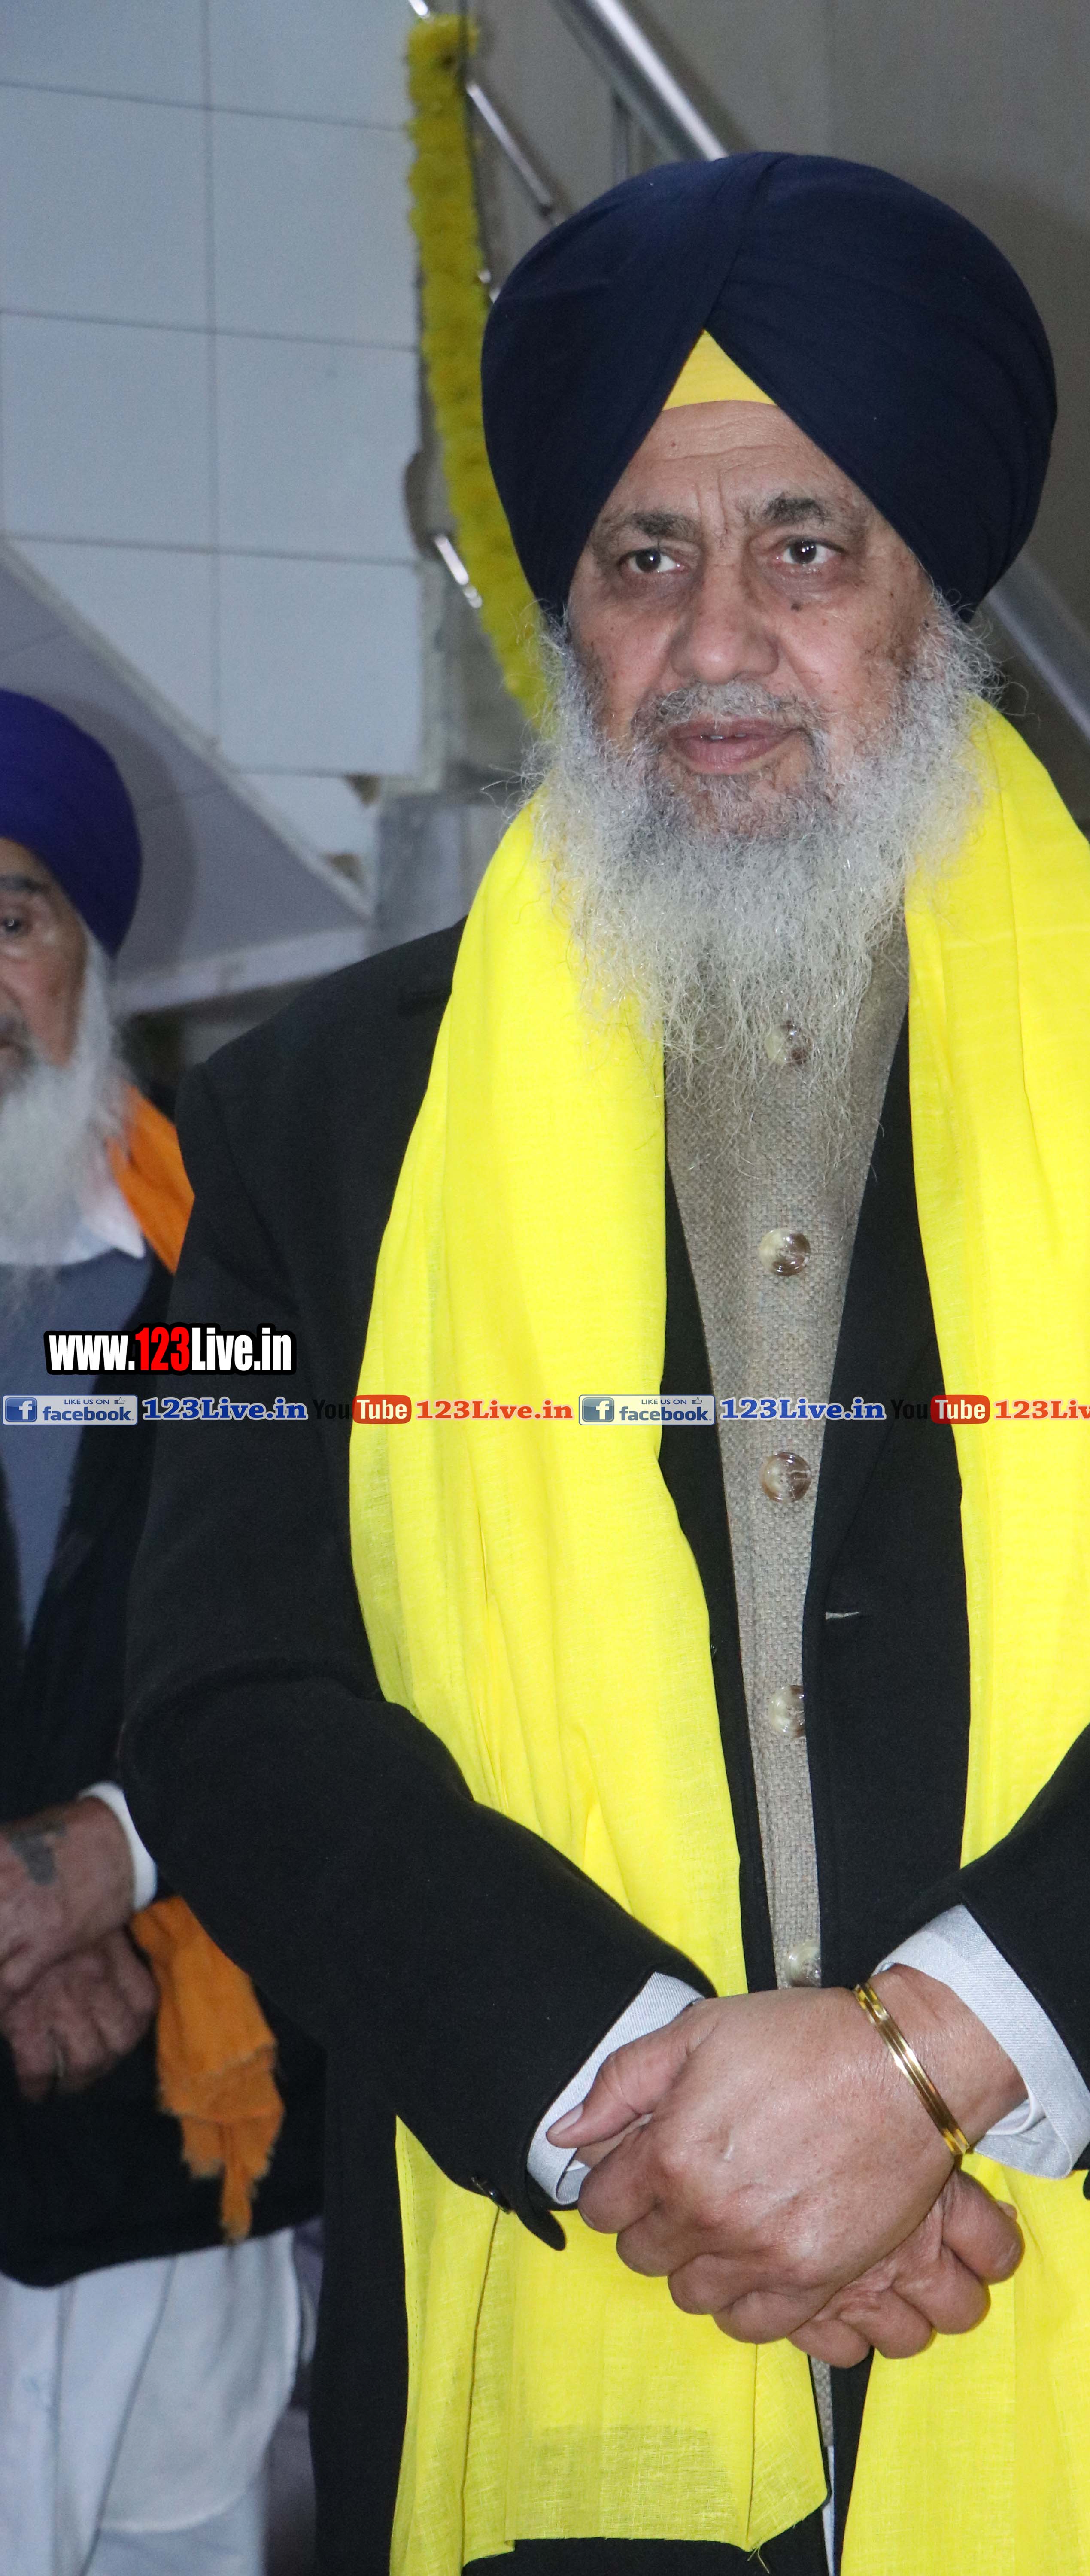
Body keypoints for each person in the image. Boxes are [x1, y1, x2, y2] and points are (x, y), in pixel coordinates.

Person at [123, 155, 1090, 2576]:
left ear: (935, 591)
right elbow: (229, 1695)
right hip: (572, 2281)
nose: (717, 637)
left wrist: (932, 2058)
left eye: (808, 548)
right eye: (643, 558)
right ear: (568, 612)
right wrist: (649, 2122)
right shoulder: (299, 1120)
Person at [0, 691, 322, 2576]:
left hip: (159, 2163)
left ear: (89, 965)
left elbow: (324, 1626)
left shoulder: (232, 1278)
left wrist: (114, 1865)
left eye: (12, 915)